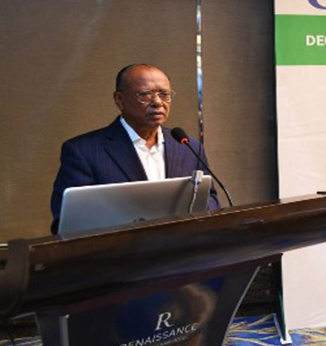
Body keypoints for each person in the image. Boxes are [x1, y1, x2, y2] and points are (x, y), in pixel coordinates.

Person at [50, 63, 219, 234]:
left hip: (180, 246)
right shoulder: (84, 151)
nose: (157, 102)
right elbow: (69, 221)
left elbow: (210, 200)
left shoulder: (188, 147)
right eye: (145, 95)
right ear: (119, 99)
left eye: (164, 94)